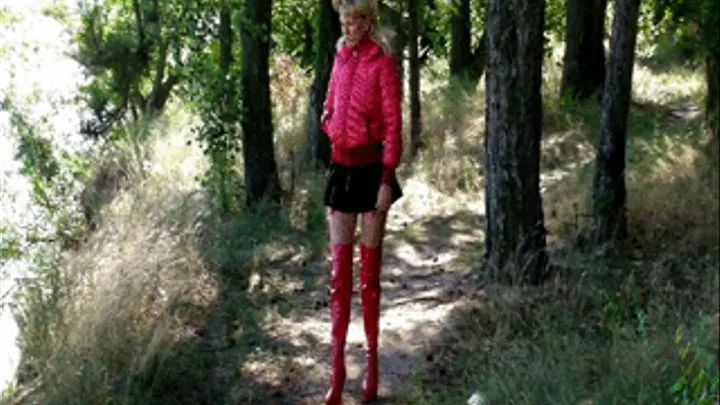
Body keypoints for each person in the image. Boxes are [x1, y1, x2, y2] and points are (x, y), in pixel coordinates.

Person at [320, 0, 403, 403]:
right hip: (340, 170)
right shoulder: (339, 56)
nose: (351, 25)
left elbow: (393, 123)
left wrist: (387, 180)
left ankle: (372, 370)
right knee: (339, 278)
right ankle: (336, 372)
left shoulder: (382, 61)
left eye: (358, 18)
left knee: (369, 278)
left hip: (372, 174)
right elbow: (330, 100)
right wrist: (328, 120)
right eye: (345, 18)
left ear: (370, 21)